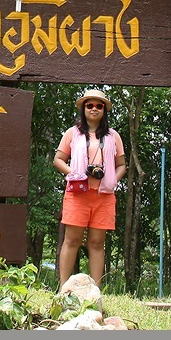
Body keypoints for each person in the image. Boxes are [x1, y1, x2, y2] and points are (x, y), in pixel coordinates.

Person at [52, 88, 127, 289]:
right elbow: (58, 159)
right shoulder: (73, 133)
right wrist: (75, 173)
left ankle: (96, 290)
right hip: (77, 193)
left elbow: (122, 165)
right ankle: (64, 288)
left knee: (96, 242)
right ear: (83, 108)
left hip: (104, 195)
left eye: (99, 106)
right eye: (90, 105)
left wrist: (112, 179)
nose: (94, 109)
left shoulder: (113, 136)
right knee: (72, 240)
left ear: (104, 110)